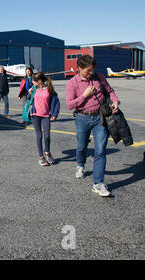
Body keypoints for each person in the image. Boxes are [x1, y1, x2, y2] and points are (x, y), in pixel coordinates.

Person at [65, 55, 120, 197]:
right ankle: (80, 165)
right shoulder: (72, 83)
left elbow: (110, 91)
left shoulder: (99, 77)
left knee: (101, 150)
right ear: (80, 68)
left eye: (92, 70)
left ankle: (98, 183)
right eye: (88, 71)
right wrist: (84, 95)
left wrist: (115, 101)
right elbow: (70, 105)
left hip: (100, 118)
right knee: (82, 146)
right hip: (82, 118)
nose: (91, 73)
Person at [28, 72, 60, 166]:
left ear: (40, 81)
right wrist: (30, 94)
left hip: (46, 115)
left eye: (34, 81)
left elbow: (56, 102)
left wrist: (54, 114)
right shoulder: (33, 89)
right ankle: (41, 157)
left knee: (47, 136)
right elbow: (30, 100)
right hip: (35, 115)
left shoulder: (50, 89)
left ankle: (48, 153)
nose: (32, 82)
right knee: (39, 136)